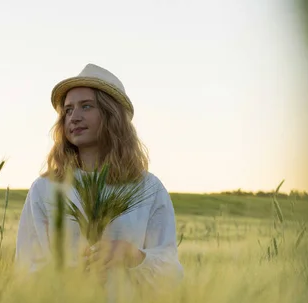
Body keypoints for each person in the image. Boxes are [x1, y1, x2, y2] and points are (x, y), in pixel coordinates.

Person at [14, 63, 183, 289]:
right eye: (68, 110)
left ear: (111, 115)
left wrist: (132, 255)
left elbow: (172, 273)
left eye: (86, 106)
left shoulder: (148, 188)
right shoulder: (45, 189)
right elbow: (27, 269)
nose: (74, 117)